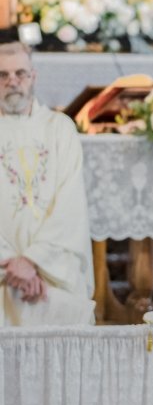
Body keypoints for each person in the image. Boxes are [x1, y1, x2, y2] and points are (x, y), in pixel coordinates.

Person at [0, 36, 95, 327]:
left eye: (20, 73)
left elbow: (70, 205)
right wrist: (11, 265)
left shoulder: (60, 129)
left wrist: (33, 261)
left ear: (33, 77)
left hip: (53, 272)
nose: (12, 82)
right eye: (2, 75)